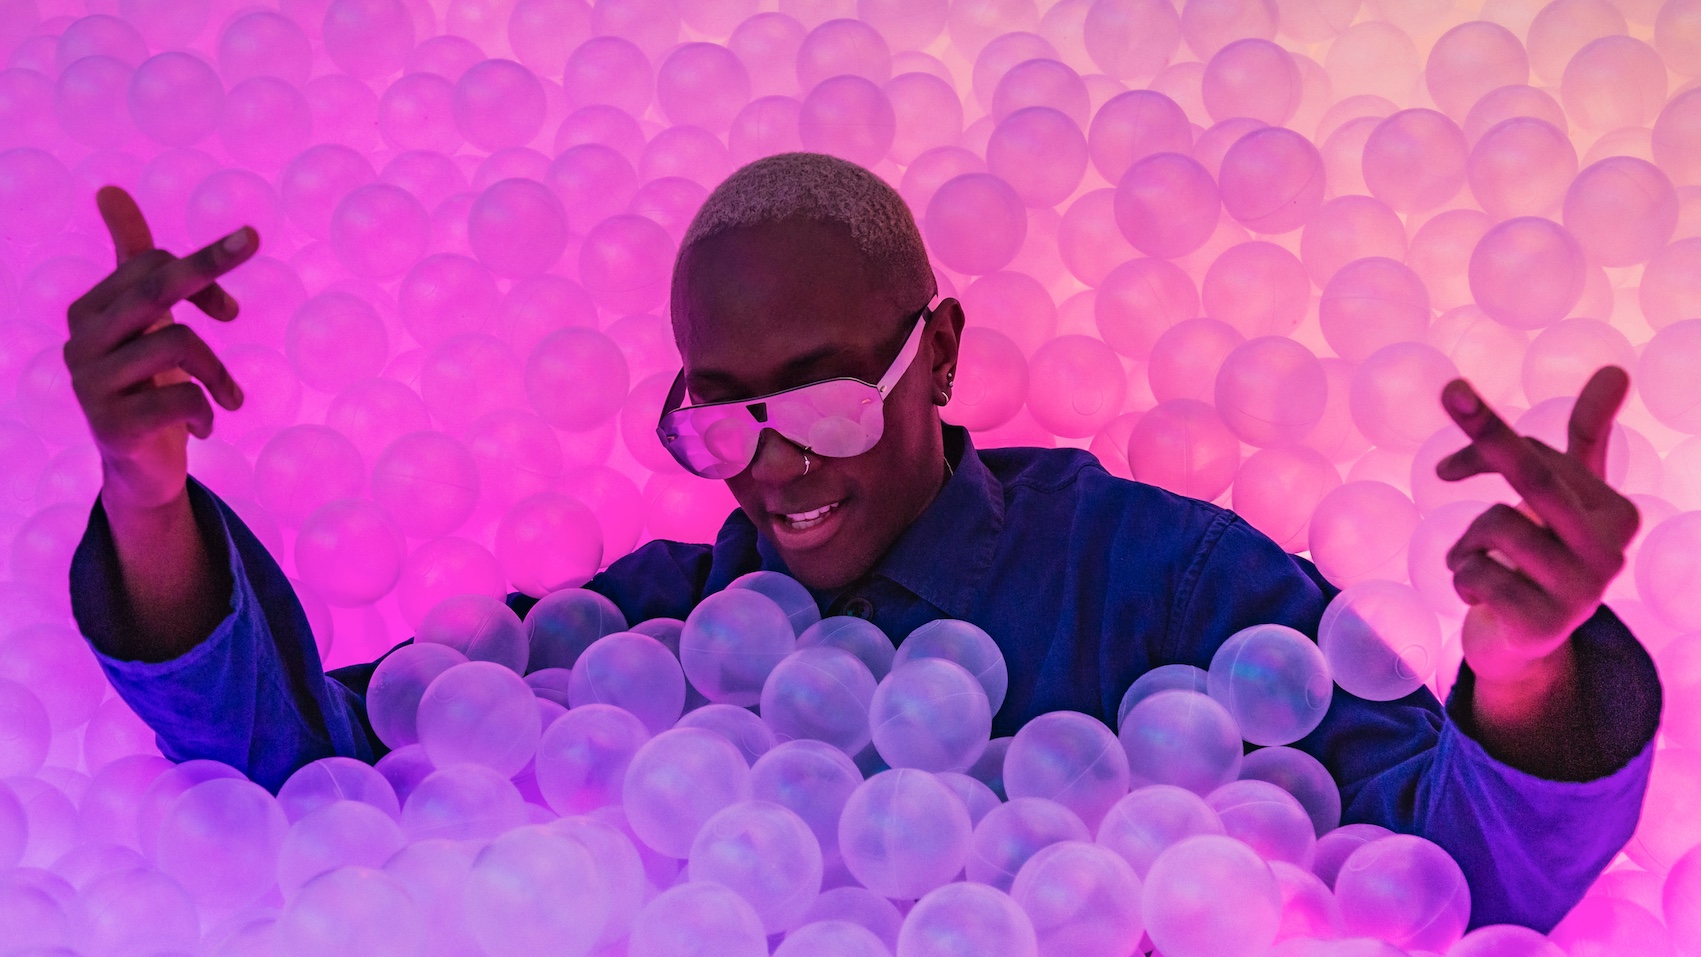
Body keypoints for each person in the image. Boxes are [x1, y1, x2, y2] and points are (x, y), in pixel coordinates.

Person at [66, 153, 1657, 932]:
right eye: (717, 414)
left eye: (820, 399)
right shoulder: (654, 633)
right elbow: (311, 771)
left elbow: (1449, 876)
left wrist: (1517, 671)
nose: (769, 465)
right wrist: (148, 489)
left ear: (936, 354)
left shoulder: (1168, 578)